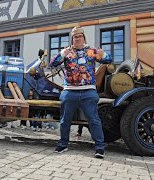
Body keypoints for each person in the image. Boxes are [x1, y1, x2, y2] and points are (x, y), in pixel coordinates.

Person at [50, 26, 112, 158]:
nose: (77, 39)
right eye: (75, 37)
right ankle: (63, 144)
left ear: (84, 37)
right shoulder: (67, 52)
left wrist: (103, 54)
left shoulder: (91, 51)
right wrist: (62, 54)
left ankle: (100, 148)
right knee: (65, 120)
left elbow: (109, 60)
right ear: (72, 39)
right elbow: (52, 63)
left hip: (88, 91)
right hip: (69, 91)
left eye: (80, 36)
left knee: (94, 119)